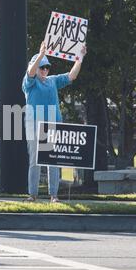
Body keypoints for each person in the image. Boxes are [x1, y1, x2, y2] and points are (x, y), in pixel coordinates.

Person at [23, 41, 86, 203]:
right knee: (34, 161)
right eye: (41, 67)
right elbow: (30, 72)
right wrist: (41, 55)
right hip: (34, 124)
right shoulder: (29, 82)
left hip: (52, 123)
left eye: (46, 67)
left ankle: (54, 195)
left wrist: (80, 59)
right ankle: (33, 194)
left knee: (52, 160)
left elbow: (72, 76)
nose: (44, 70)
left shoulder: (52, 80)